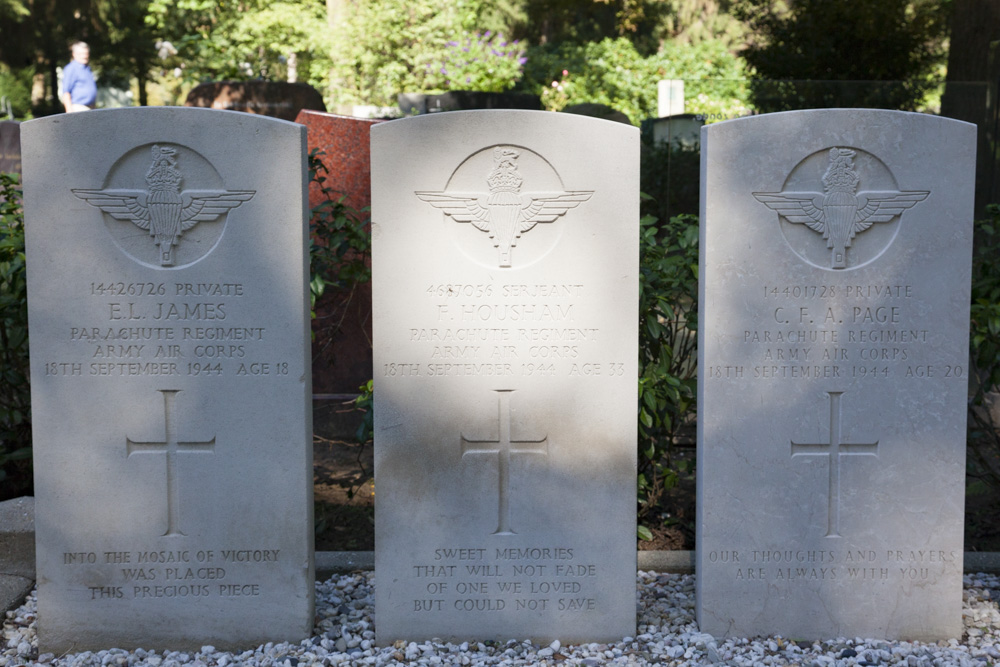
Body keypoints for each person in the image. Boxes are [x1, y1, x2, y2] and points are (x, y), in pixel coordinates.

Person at [62, 41, 97, 112]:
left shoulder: (87, 68)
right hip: (78, 108)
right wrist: (69, 112)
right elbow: (66, 92)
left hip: (90, 108)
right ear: (74, 54)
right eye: (81, 54)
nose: (84, 56)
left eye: (86, 53)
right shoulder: (71, 68)